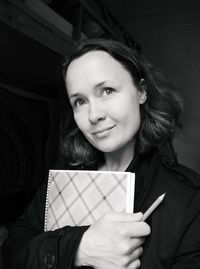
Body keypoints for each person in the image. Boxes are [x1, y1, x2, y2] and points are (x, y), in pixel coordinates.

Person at [3, 38, 200, 269]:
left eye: (107, 90)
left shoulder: (190, 198)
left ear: (141, 92)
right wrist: (78, 249)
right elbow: (12, 251)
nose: (93, 114)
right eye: (80, 101)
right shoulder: (64, 174)